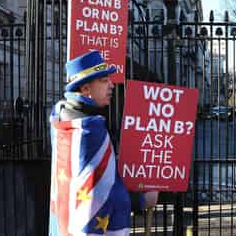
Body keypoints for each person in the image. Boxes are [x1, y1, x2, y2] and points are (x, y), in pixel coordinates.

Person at [49, 51, 158, 235]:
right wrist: (141, 200)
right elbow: (102, 194)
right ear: (85, 89)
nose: (111, 85)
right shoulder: (90, 128)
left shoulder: (60, 116)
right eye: (104, 80)